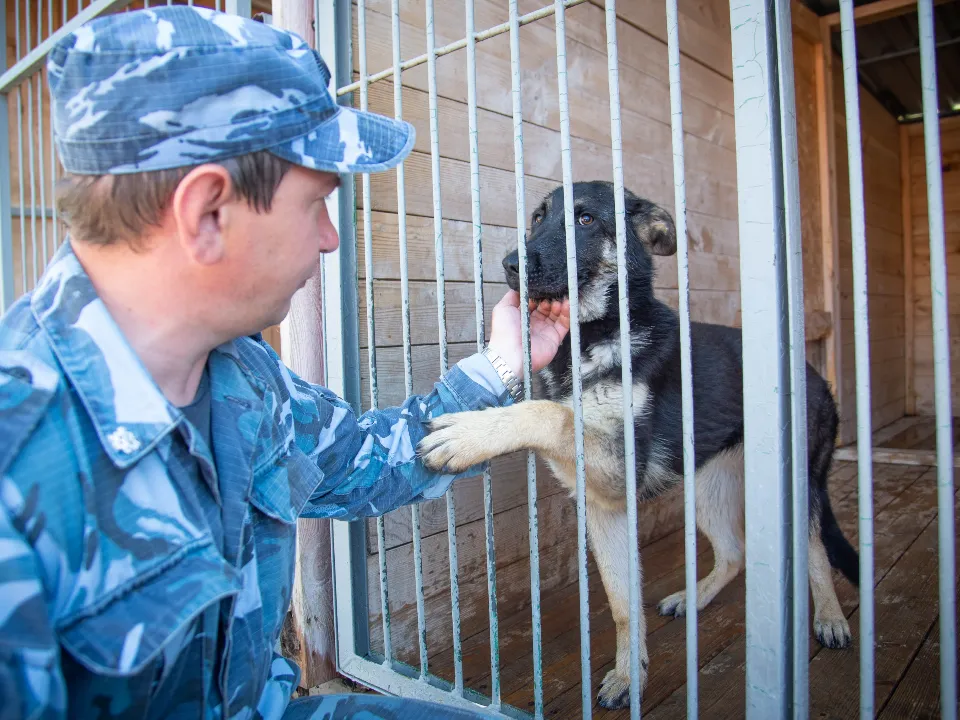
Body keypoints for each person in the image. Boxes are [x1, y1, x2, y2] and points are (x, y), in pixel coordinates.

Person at [0, 6, 570, 719]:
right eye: (316, 206)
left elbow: (368, 460)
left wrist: (501, 363)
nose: (330, 240)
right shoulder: (20, 458)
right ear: (208, 212)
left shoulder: (239, 372)